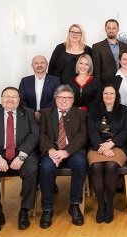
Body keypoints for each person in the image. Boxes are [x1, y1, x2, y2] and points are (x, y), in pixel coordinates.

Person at [0, 87, 39, 234]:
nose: (10, 100)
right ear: (1, 98)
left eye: (14, 97)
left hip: (21, 153)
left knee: (33, 169)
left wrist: (22, 156)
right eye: (7, 96)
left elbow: (34, 135)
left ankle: (24, 211)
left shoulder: (29, 113)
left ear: (19, 100)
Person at [38, 85, 88, 228]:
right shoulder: (46, 113)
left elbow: (83, 136)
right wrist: (51, 150)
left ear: (73, 100)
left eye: (67, 98)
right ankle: (47, 209)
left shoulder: (80, 114)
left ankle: (75, 205)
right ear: (55, 99)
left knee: (80, 162)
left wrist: (66, 151)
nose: (64, 101)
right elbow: (41, 135)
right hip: (52, 152)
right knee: (46, 167)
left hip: (72, 151)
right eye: (60, 97)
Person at [87, 84, 127, 224]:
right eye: (106, 93)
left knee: (111, 165)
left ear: (116, 96)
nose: (108, 96)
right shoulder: (94, 110)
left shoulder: (123, 110)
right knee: (96, 166)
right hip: (97, 146)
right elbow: (92, 131)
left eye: (111, 93)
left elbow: (126, 131)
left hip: (118, 146)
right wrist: (103, 146)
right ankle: (101, 204)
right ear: (102, 95)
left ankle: (110, 204)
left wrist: (111, 144)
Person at [19, 55, 61, 122]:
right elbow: (21, 99)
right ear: (32, 65)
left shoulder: (55, 80)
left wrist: (40, 112)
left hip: (49, 117)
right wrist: (32, 113)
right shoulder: (25, 81)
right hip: (28, 117)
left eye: (42, 62)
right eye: (36, 63)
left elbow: (56, 98)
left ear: (47, 64)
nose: (39, 65)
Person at [92, 19, 127, 83]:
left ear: (118, 30)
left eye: (114, 28)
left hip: (123, 82)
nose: (111, 30)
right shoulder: (97, 47)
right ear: (105, 30)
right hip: (105, 84)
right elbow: (96, 71)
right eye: (109, 28)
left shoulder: (126, 47)